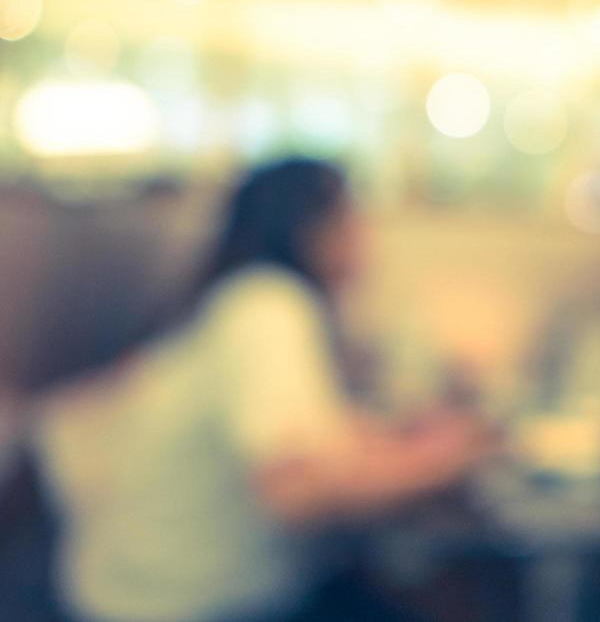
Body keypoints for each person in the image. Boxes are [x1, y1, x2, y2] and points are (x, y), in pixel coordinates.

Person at [32, 158, 493, 622]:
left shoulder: (243, 300)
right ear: (313, 229)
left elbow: (307, 442)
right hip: (183, 602)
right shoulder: (266, 309)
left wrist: (395, 438)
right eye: (353, 216)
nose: (367, 235)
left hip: (139, 585)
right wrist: (444, 460)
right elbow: (294, 493)